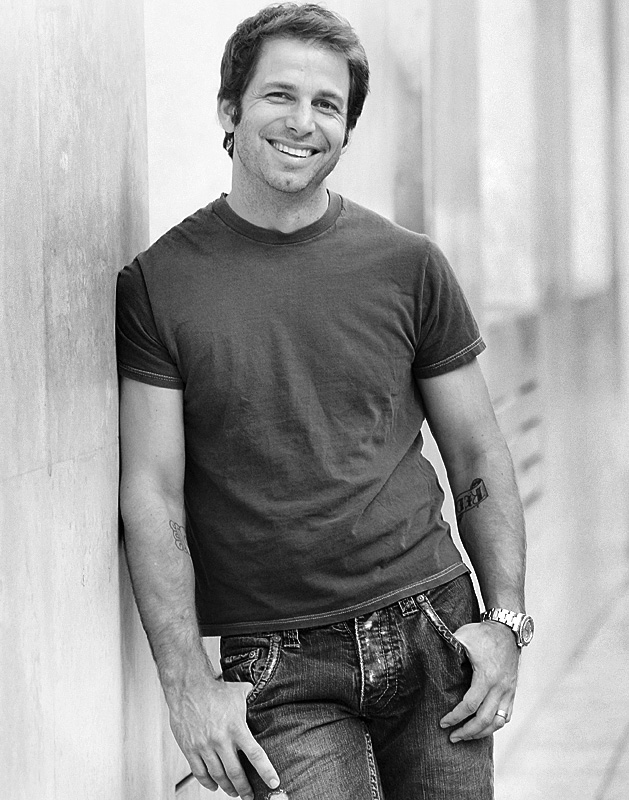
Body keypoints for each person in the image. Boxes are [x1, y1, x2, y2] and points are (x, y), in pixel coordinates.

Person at [116, 4, 533, 799]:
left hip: (433, 624)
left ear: (346, 130)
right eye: (279, 95)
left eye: (327, 105)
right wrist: (187, 685)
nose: (302, 122)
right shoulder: (158, 285)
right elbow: (152, 492)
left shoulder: (409, 266)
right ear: (228, 110)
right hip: (279, 664)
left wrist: (505, 622)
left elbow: (476, 451)